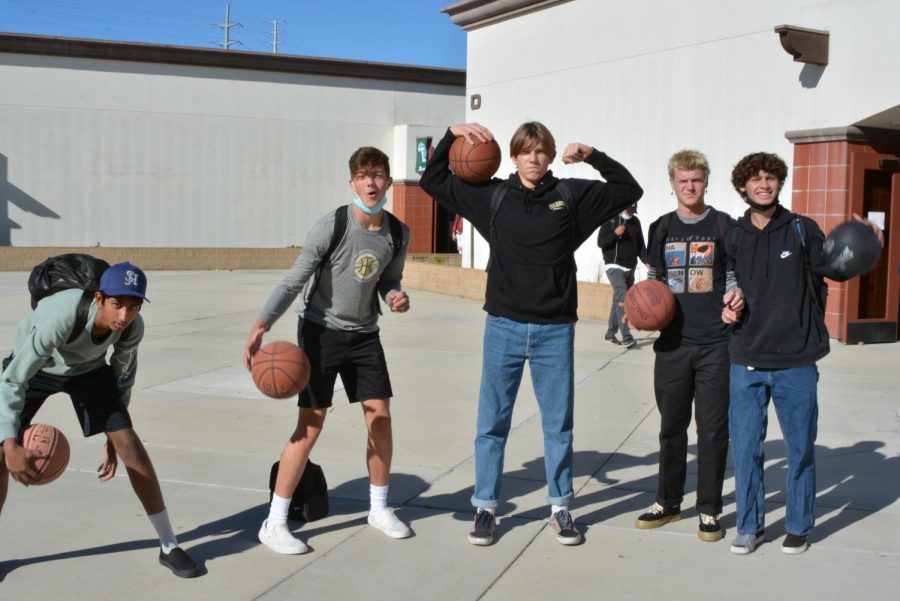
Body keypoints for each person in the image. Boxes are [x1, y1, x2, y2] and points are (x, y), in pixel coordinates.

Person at [420, 121, 643, 546]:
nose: (534, 158)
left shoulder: (570, 196)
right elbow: (433, 179)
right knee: (492, 423)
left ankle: (560, 508)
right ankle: (485, 508)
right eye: (526, 151)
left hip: (554, 330)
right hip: (502, 325)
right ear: (515, 156)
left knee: (558, 425)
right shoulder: (494, 197)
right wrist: (451, 133)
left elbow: (628, 188)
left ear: (550, 154)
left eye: (541, 151)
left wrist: (592, 155)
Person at [244, 146, 412, 555]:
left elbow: (388, 279)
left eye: (378, 175)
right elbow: (293, 281)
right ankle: (275, 521)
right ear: (352, 181)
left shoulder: (397, 232)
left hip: (365, 334)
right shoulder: (332, 226)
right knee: (311, 423)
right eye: (363, 175)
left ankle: (378, 508)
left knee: (381, 418)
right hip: (321, 331)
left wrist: (395, 295)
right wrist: (262, 323)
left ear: (388, 181)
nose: (371, 183)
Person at [724, 152, 882, 555]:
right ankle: (749, 525)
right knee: (746, 451)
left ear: (780, 183)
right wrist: (724, 308)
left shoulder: (801, 229)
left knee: (799, 450)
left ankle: (798, 525)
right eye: (755, 179)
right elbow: (722, 287)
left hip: (796, 360)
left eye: (771, 177)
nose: (764, 184)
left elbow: (837, 267)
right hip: (746, 359)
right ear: (742, 187)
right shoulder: (733, 235)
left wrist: (867, 246)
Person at [0, 262, 201, 578]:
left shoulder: (131, 328)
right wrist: (10, 442)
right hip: (39, 366)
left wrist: (112, 439)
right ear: (99, 299)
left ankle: (169, 545)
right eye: (117, 304)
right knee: (0, 449)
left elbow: (123, 377)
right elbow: (13, 380)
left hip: (88, 370)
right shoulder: (60, 317)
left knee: (130, 444)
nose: (124, 316)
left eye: (133, 307)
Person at [634, 149, 743, 543]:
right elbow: (653, 281)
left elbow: (734, 275)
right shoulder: (660, 228)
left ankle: (710, 509)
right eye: (683, 181)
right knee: (670, 428)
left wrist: (737, 296)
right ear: (672, 183)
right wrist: (639, 306)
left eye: (696, 180)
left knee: (712, 430)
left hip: (716, 344)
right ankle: (668, 501)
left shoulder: (723, 225)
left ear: (706, 181)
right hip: (672, 344)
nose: (690, 186)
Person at [597, 202, 646, 348]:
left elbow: (640, 245)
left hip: (629, 267)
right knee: (623, 298)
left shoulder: (635, 222)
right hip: (613, 265)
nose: (630, 214)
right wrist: (615, 234)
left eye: (633, 211)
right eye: (628, 210)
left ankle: (610, 334)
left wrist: (647, 261)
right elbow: (601, 242)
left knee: (617, 300)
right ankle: (627, 336)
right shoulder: (610, 219)